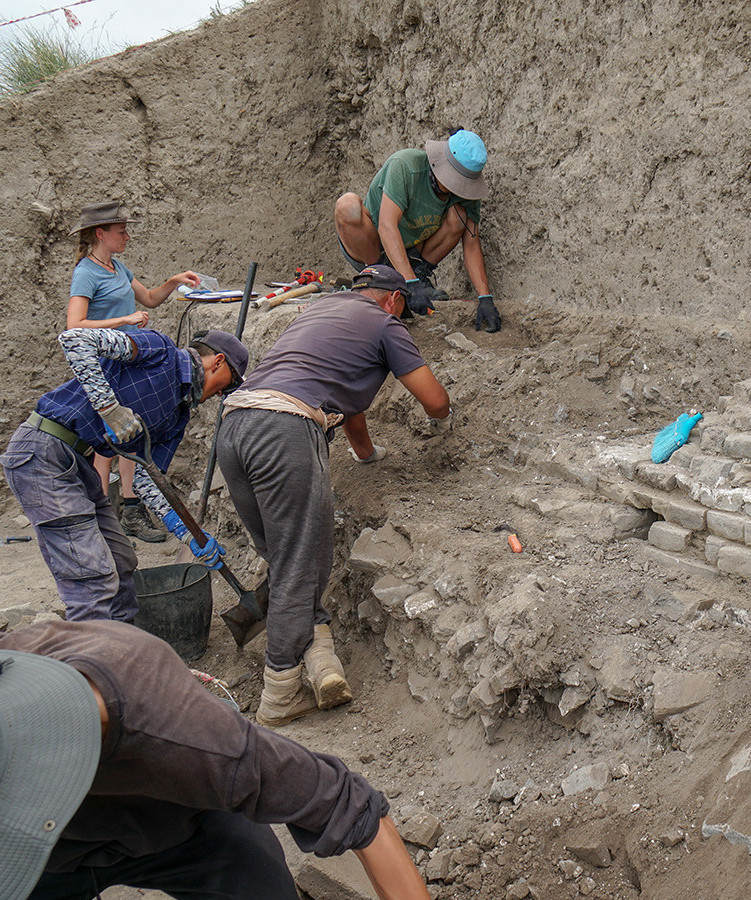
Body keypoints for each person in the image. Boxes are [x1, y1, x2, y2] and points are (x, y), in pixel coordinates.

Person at [0, 618, 474, 900]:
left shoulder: (194, 740)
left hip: (191, 831)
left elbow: (358, 810)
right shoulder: (15, 675)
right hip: (50, 852)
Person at [216, 264, 451, 727]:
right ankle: (280, 692)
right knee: (301, 562)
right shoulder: (385, 322)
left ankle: (322, 660)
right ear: (394, 299)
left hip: (235, 426)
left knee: (288, 562)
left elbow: (350, 408)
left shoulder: (321, 311)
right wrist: (444, 426)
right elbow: (436, 400)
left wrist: (366, 455)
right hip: (283, 430)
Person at [0, 326, 245, 623]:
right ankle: (90, 666)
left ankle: (122, 651)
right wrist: (109, 408)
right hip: (43, 452)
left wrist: (188, 534)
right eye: (226, 385)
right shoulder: (158, 351)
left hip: (79, 461)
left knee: (120, 561)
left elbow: (146, 479)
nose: (220, 394)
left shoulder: (176, 418)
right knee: (91, 578)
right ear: (217, 362)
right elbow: (75, 340)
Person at [66, 199, 203, 542]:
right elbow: (74, 326)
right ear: (100, 233)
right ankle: (101, 519)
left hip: (130, 364)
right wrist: (123, 321)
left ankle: (129, 510)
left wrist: (173, 281)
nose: (126, 236)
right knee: (105, 443)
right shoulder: (85, 272)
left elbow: (152, 299)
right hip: (105, 369)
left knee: (131, 434)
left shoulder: (118, 268)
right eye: (120, 231)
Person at [333, 129, 502, 332]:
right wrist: (409, 283)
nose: (460, 187)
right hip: (373, 246)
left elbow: (472, 244)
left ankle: (419, 272)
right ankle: (380, 276)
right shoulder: (405, 165)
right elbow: (387, 227)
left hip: (411, 252)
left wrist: (485, 297)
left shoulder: (464, 195)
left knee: (459, 216)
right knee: (347, 204)